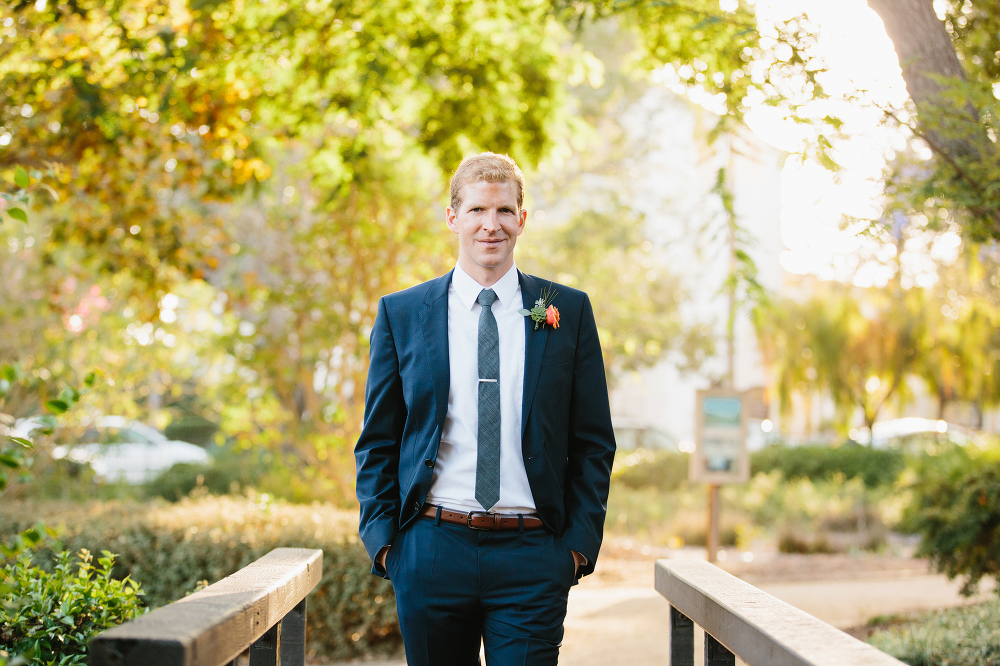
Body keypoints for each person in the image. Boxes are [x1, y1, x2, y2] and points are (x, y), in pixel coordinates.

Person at [355, 152, 616, 666]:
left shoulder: (568, 311)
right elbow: (378, 439)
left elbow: (593, 441)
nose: (490, 225)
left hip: (533, 554)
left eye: (502, 211)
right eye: (476, 210)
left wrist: (577, 547)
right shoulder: (402, 314)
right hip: (430, 549)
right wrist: (385, 542)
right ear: (453, 217)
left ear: (522, 218)